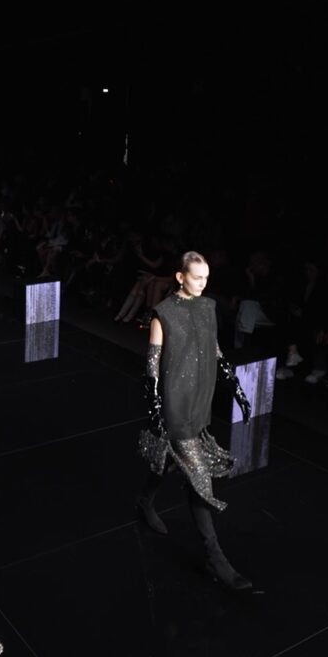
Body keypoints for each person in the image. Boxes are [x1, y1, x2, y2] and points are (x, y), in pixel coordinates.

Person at [136, 251, 255, 591]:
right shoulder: (163, 313)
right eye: (196, 277)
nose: (203, 283)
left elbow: (214, 349)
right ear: (180, 276)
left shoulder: (207, 307)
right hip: (175, 403)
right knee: (199, 478)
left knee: (167, 461)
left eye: (206, 278)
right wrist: (156, 409)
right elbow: (152, 365)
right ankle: (215, 558)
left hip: (199, 400)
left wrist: (236, 388)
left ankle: (145, 500)